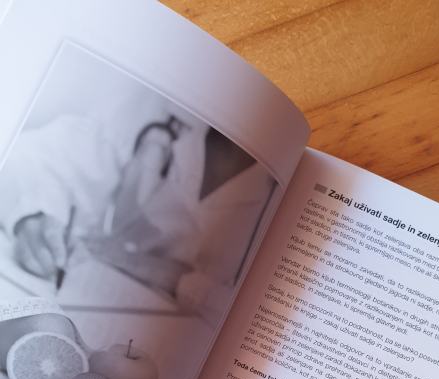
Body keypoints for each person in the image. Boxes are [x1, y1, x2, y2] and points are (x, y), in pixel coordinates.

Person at [0, 100, 275, 325]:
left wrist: (141, 266)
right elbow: (25, 155)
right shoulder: (149, 116)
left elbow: (247, 314)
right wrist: (32, 214)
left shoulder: (279, 205)